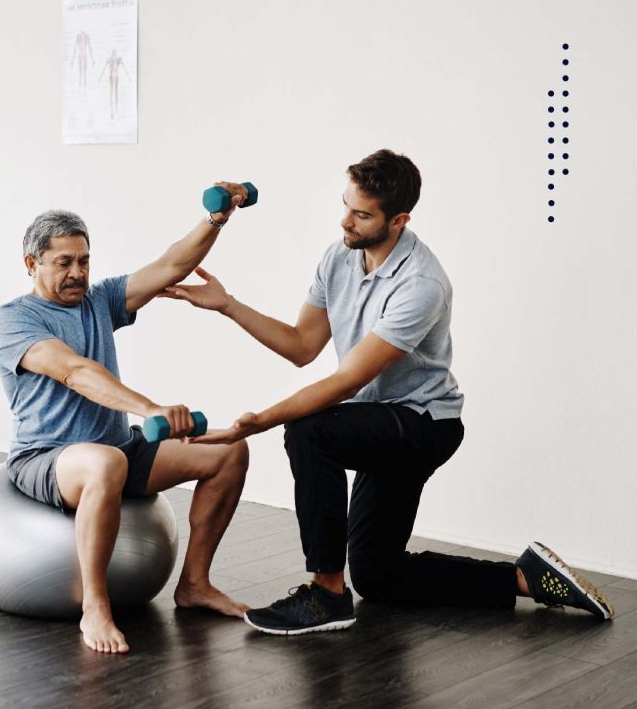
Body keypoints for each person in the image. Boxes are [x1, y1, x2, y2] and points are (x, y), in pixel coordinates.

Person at [163, 149, 614, 636]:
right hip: (377, 416)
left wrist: (258, 421)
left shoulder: (421, 283)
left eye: (361, 214)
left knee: (310, 431)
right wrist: (229, 305)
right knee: (380, 575)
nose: (346, 222)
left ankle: (327, 593)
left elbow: (345, 381)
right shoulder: (339, 257)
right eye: (346, 206)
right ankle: (528, 579)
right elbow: (301, 346)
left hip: (423, 424)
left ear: (398, 220)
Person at [0, 187, 253, 654]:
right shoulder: (13, 320)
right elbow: (74, 371)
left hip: (118, 447)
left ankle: (194, 584)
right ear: (31, 264)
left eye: (84, 261)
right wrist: (149, 408)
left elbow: (171, 264)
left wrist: (216, 219)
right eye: (64, 262)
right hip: (47, 457)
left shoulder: (100, 300)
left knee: (229, 451)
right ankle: (95, 606)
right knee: (105, 463)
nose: (77, 273)